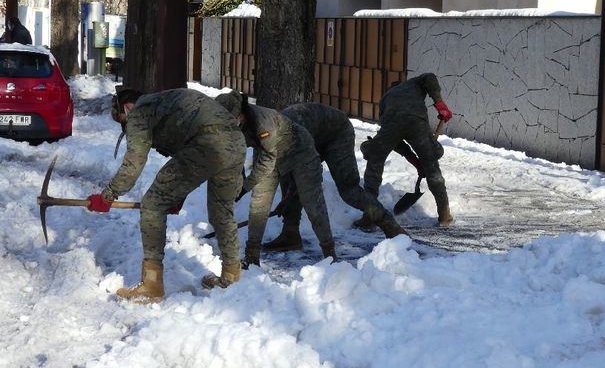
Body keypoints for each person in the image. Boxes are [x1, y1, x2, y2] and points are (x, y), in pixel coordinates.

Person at [87, 88, 247, 302]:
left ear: (127, 107)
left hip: (206, 143)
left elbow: (134, 163)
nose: (126, 125)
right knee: (222, 211)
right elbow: (186, 148)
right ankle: (231, 277)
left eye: (123, 120)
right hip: (236, 142)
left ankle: (151, 287)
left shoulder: (139, 113)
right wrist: (176, 195)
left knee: (152, 205)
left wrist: (107, 195)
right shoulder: (164, 101)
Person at [262, 103, 406, 252]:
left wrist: (293, 190)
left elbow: (310, 169)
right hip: (314, 134)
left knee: (349, 189)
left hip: (337, 133)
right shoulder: (267, 133)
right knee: (287, 176)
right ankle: (290, 234)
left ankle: (391, 226)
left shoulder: (292, 131)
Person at [215, 90, 336, 268]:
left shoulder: (262, 122)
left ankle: (330, 255)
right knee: (258, 206)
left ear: (240, 113)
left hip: (299, 153)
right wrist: (238, 182)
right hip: (269, 153)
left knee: (313, 204)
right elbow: (234, 152)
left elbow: (266, 163)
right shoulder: (226, 123)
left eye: (232, 118)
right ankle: (251, 257)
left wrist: (245, 187)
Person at [359, 73, 454, 226]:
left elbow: (394, 141)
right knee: (432, 166)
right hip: (416, 122)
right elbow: (429, 77)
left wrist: (414, 160)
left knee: (374, 162)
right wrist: (440, 104)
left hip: (391, 124)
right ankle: (444, 215)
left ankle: (369, 216)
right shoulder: (414, 83)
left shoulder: (385, 99)